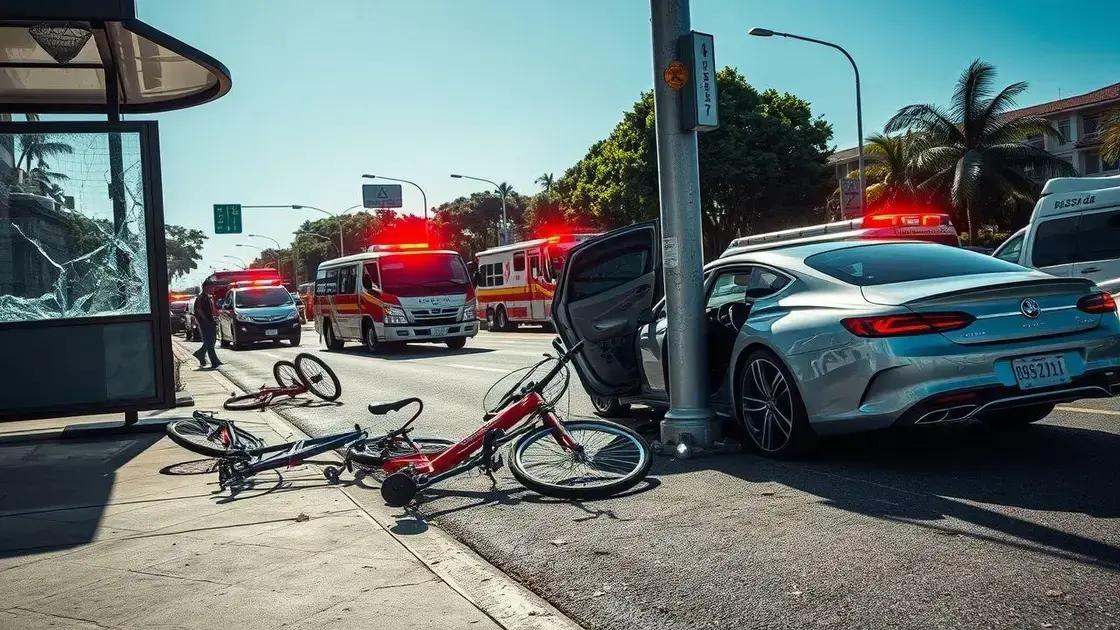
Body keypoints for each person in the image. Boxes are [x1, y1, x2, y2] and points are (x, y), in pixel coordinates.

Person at [192, 287, 222, 368]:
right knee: (209, 341)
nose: (212, 288)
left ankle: (202, 354)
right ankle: (214, 361)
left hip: (210, 321)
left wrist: (215, 316)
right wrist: (205, 320)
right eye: (211, 287)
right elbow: (199, 310)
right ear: (206, 287)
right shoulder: (201, 298)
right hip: (205, 322)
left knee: (211, 341)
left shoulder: (209, 297)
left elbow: (212, 309)